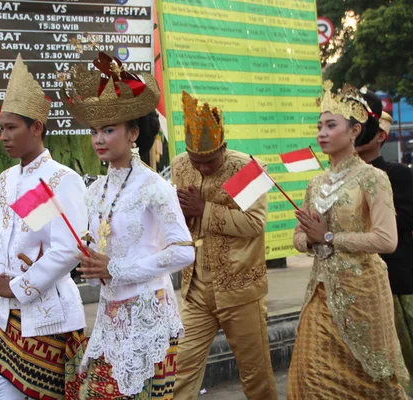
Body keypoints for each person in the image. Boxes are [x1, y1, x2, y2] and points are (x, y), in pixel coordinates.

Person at [62, 51, 195, 398]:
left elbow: (184, 252)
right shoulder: (94, 191)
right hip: (109, 314)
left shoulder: (155, 187)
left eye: (109, 130)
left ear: (133, 132)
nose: (99, 140)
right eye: (94, 132)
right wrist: (89, 261)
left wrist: (118, 267)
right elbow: (94, 246)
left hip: (149, 316)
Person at [0, 54, 88, 400]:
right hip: (9, 317)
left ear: (36, 127)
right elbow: (6, 235)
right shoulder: (8, 178)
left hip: (49, 314)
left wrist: (18, 287)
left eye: (12, 128)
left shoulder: (61, 179)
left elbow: (68, 249)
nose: (4, 136)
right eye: (2, 128)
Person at [287, 81, 408, 398]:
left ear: (355, 131)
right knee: (310, 376)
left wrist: (328, 235)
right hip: (320, 291)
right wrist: (310, 239)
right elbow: (298, 238)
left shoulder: (373, 177)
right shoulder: (316, 183)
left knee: (368, 381)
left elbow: (386, 239)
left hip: (363, 292)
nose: (321, 133)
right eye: (319, 126)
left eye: (330, 125)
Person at [171, 91, 277, 400]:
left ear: (224, 148)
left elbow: (255, 224)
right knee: (180, 371)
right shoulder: (180, 166)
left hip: (240, 288)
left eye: (209, 162)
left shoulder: (246, 169)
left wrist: (203, 210)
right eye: (196, 161)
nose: (201, 168)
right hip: (196, 290)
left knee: (256, 375)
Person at [356, 109, 413, 395]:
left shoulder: (396, 175)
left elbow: (403, 221)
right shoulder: (333, 180)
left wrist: (354, 228)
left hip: (396, 280)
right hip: (354, 283)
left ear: (381, 136)